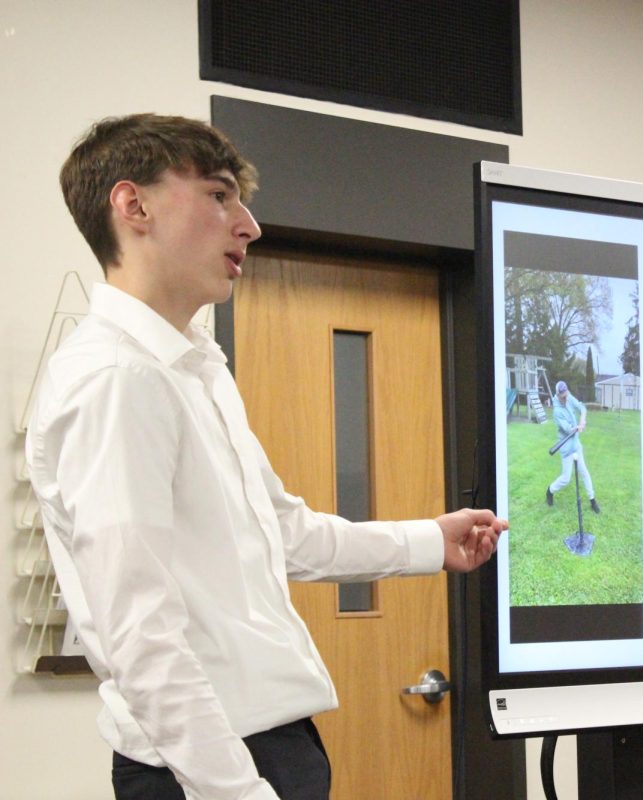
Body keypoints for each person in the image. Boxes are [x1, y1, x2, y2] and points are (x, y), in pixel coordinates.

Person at [26, 113, 506, 800]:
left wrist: (430, 541)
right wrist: (237, 792)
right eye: (220, 196)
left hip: (271, 744)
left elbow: (281, 533)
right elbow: (142, 636)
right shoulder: (116, 379)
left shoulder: (195, 369)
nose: (248, 224)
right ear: (133, 206)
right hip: (207, 768)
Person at [545, 380, 600, 513]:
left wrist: (582, 420)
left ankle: (592, 500)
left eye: (566, 394)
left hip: (576, 444)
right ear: (557, 395)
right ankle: (550, 490)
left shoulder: (569, 397)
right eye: (562, 396)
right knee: (565, 479)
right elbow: (568, 429)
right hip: (566, 449)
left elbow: (582, 407)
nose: (565, 398)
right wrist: (576, 428)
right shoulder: (557, 412)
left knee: (584, 472)